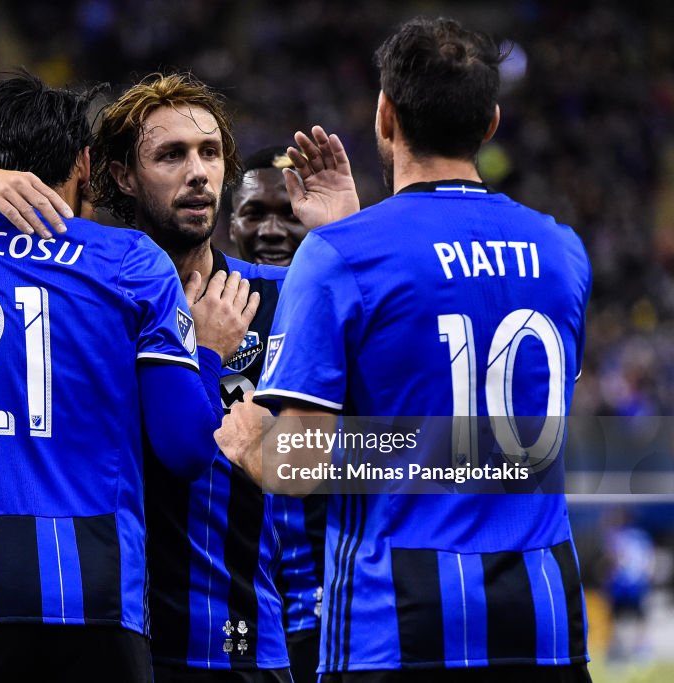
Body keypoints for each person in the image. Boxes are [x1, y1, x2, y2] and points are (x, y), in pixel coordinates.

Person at [0, 72, 358, 682]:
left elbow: (399, 435)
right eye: (172, 155)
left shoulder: (276, 300)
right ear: (117, 173)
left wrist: (343, 244)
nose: (198, 171)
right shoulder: (103, 285)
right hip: (109, 630)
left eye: (210, 153)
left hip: (230, 646)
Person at [217, 16, 592, 683]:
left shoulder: (342, 256)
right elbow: (503, 437)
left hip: (398, 623)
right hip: (544, 619)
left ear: (385, 115)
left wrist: (252, 445)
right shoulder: (563, 250)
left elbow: (301, 464)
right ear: (491, 122)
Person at [230, 147, 328, 683]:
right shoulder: (198, 311)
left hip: (327, 594)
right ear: (229, 223)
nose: (270, 230)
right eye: (253, 214)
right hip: (233, 593)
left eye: (288, 213)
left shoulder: (349, 310)